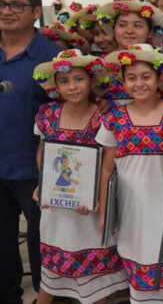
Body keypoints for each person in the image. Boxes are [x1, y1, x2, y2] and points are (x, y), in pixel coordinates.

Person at [31, 50, 127, 303]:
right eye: (64, 81)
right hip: (56, 206)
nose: (72, 86)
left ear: (92, 80)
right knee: (51, 274)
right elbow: (43, 151)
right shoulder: (46, 113)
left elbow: (110, 163)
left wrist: (95, 195)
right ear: (56, 86)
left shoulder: (105, 115)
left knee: (96, 279)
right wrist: (45, 184)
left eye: (78, 79)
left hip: (90, 206)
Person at [96, 44, 163, 303]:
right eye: (131, 78)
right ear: (122, 82)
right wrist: (104, 209)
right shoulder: (115, 119)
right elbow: (107, 167)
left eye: (146, 76)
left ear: (159, 79)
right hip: (132, 205)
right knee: (138, 252)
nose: (139, 83)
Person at [0, 0, 62, 303]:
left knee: (44, 244)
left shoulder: (54, 58)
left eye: (16, 5)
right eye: (1, 4)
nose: (7, 11)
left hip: (38, 170)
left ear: (36, 11)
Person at [96, 0, 163, 107]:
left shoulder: (161, 64)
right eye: (122, 25)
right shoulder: (101, 65)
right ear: (114, 29)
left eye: (137, 25)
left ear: (150, 32)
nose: (129, 31)